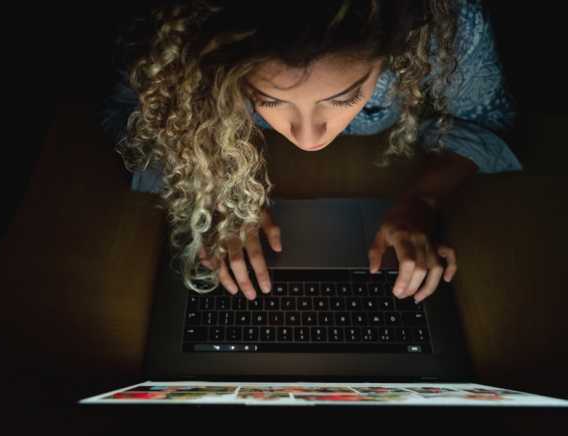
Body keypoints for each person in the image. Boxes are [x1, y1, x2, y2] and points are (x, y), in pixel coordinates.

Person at [100, 0, 521, 301]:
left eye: (343, 99)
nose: (307, 139)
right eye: (267, 100)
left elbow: (486, 120)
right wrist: (213, 194)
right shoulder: (188, 35)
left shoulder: (447, 19)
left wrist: (422, 199)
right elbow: (128, 119)